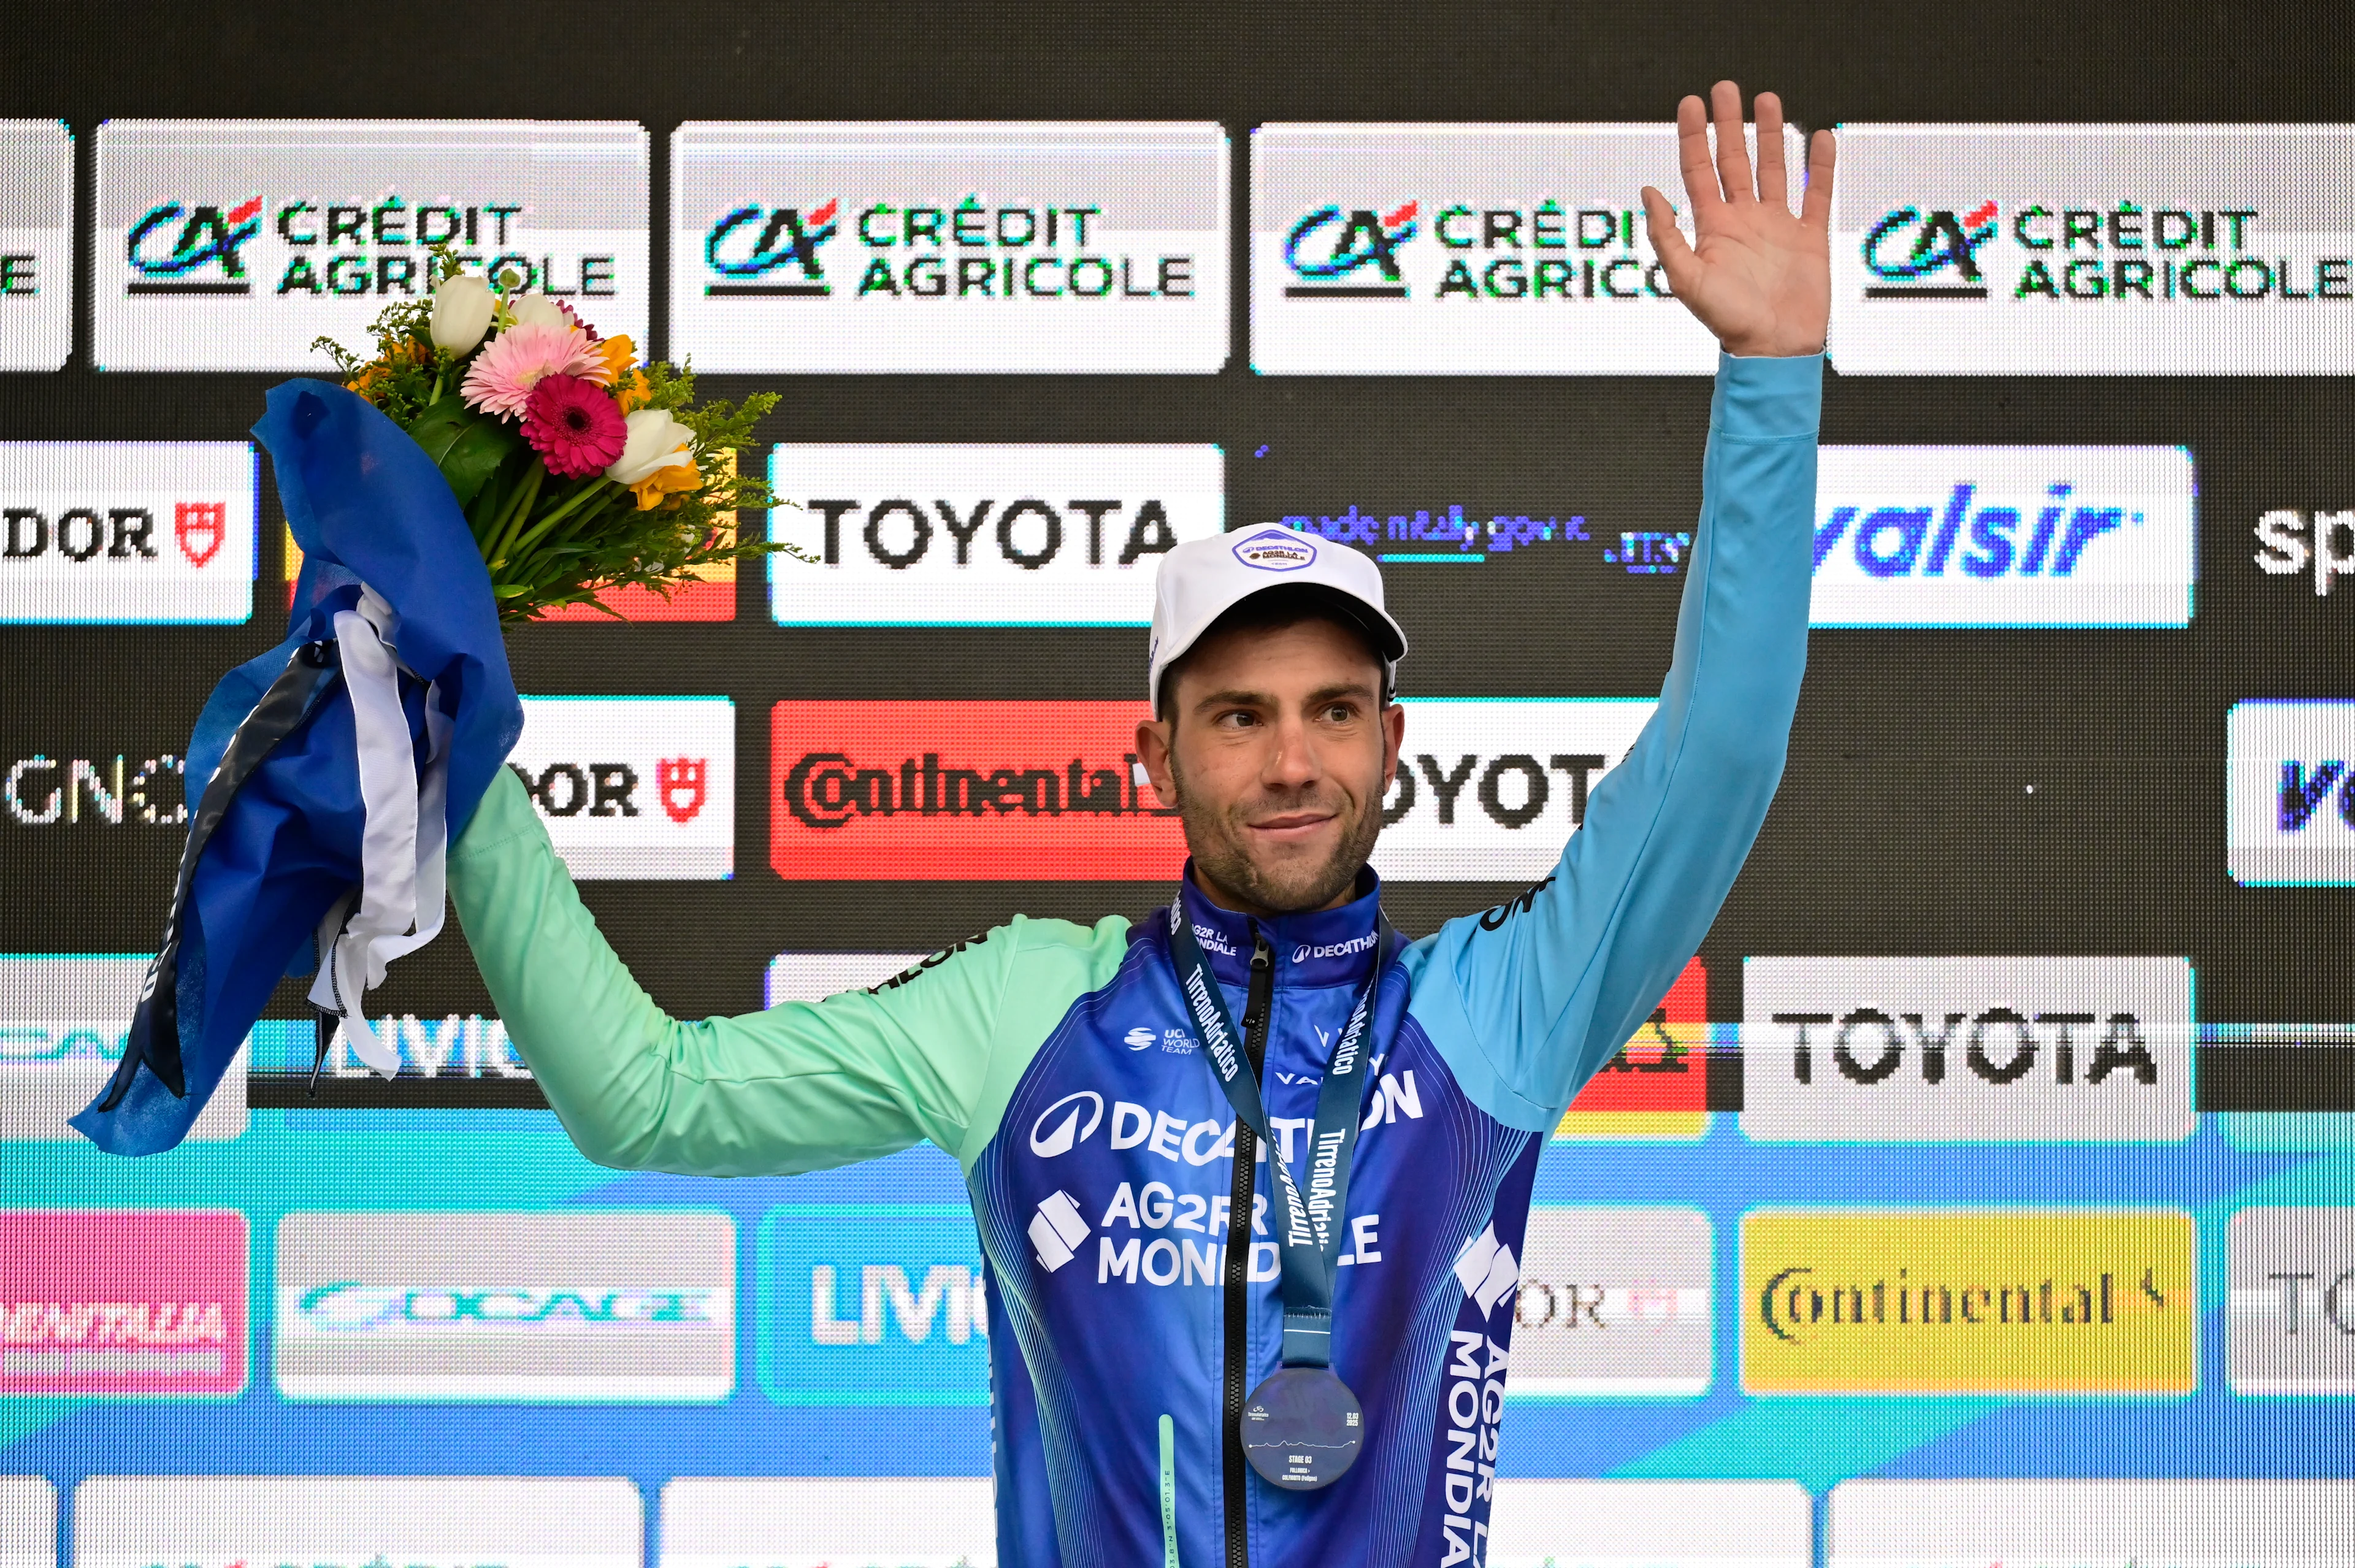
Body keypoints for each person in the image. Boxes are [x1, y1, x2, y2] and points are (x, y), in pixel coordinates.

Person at [448, 82, 1832, 1568]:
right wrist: (453, 749)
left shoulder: (1497, 1009)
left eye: (1334, 710)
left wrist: (1773, 378)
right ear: (1153, 757)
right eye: (1239, 716)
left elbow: (1719, 753)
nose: (1294, 760)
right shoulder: (1027, 1003)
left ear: (1393, 744)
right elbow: (641, 1096)